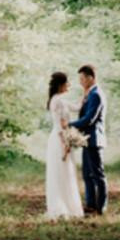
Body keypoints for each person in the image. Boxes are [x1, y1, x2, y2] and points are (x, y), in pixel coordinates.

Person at [44, 71, 85, 219]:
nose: (69, 85)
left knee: (64, 172)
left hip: (59, 137)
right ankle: (62, 207)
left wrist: (85, 94)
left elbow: (77, 107)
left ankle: (66, 205)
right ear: (60, 85)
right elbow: (62, 125)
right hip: (60, 139)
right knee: (62, 172)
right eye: (67, 82)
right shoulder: (58, 101)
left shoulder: (58, 100)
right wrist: (66, 144)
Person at [69, 64, 107, 215]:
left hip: (94, 140)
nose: (80, 82)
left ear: (91, 78)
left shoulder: (96, 94)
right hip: (87, 140)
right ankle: (90, 205)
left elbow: (89, 119)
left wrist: (70, 125)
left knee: (98, 175)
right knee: (87, 175)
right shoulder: (90, 94)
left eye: (82, 78)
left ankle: (101, 208)